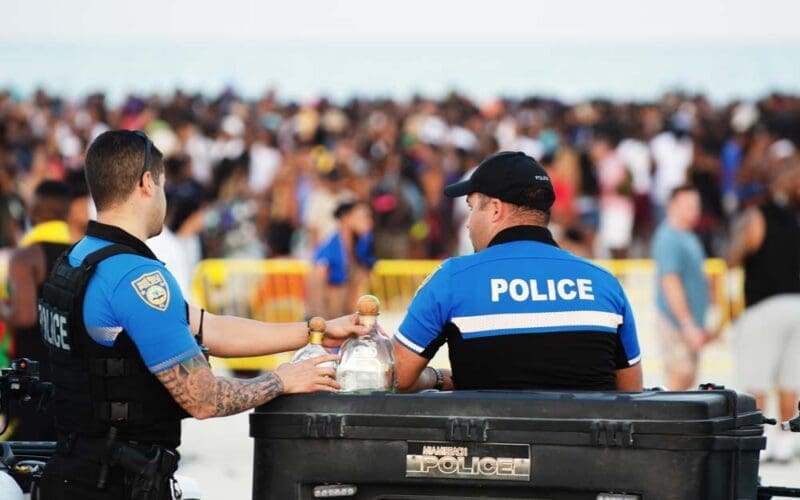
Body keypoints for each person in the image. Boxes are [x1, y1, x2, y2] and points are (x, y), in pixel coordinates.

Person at [37, 130, 365, 499]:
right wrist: (282, 381)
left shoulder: (79, 259)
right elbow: (204, 399)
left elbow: (210, 328)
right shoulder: (137, 278)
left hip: (74, 471)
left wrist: (314, 330)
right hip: (115, 484)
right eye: (162, 184)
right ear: (147, 183)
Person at [392, 151, 643, 393]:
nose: (468, 223)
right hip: (584, 436)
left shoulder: (452, 279)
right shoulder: (604, 283)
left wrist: (438, 378)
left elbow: (396, 377)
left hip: (489, 436)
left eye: (472, 208)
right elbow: (632, 390)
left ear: (496, 209)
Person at [726, 164, 800, 463]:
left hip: (764, 306)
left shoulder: (758, 216)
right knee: (789, 381)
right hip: (797, 304)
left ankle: (760, 437)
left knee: (756, 379)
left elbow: (735, 255)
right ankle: (785, 439)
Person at [0, 180, 74, 440]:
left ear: (35, 211)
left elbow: (24, 315)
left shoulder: (27, 256)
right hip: (72, 381)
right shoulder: (81, 254)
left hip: (33, 379)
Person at [652, 185, 710, 390]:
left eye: (696, 205)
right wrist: (687, 324)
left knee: (687, 381)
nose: (694, 209)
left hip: (689, 324)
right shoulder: (669, 237)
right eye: (687, 205)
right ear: (672, 206)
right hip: (677, 324)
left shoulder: (689, 237)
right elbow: (670, 281)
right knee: (679, 381)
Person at [308, 200, 375, 318]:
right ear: (346, 218)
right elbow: (316, 285)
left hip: (345, 319)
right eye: (363, 217)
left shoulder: (360, 249)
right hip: (328, 320)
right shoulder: (329, 250)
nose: (369, 222)